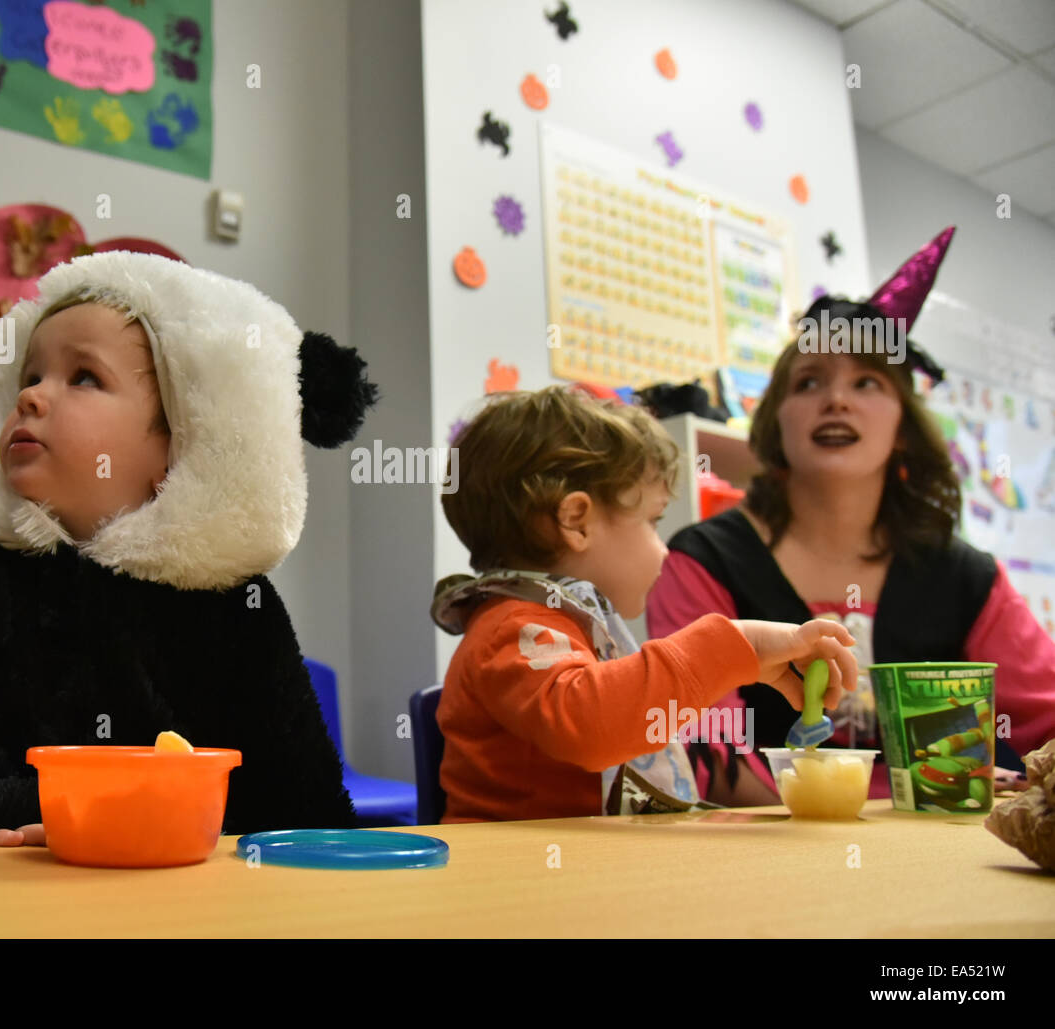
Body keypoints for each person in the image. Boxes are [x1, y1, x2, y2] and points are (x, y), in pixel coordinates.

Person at [0, 252, 377, 849]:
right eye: (30, 376)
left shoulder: (236, 609)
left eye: (83, 376)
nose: (32, 397)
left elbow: (305, 816)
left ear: (184, 443)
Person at [647, 227, 1055, 805]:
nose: (836, 400)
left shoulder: (969, 579)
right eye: (809, 382)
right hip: (758, 865)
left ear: (904, 429)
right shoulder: (702, 561)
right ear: (774, 425)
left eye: (867, 382)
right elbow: (704, 747)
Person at [430, 385, 859, 823]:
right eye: (653, 521)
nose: (664, 549)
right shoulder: (514, 627)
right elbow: (592, 725)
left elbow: (626, 711)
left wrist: (743, 665)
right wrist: (734, 646)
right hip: (513, 879)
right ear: (576, 521)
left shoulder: (562, 625)